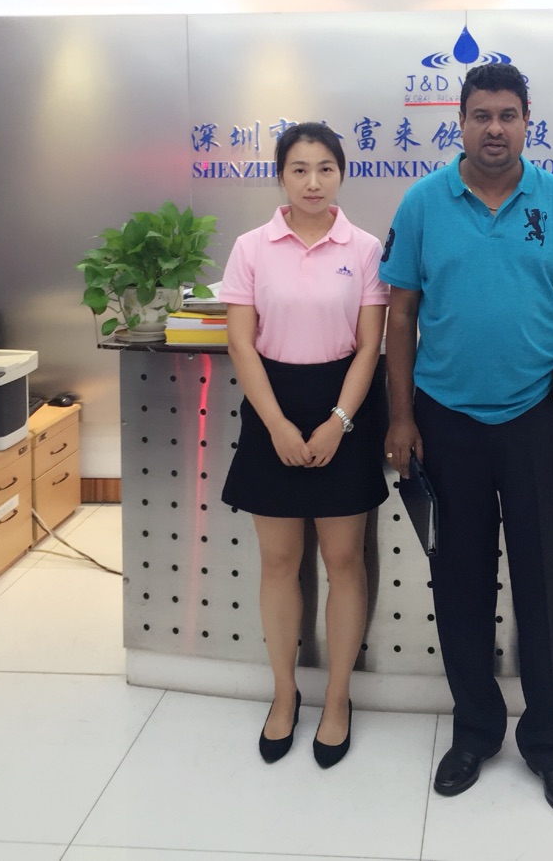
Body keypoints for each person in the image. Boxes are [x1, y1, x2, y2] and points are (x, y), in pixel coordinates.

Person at [380, 63, 553, 822]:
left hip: (537, 420)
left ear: (527, 121)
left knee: (542, 583)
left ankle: (550, 745)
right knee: (460, 582)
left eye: (508, 115)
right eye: (480, 115)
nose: (494, 129)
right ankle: (475, 732)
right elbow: (401, 315)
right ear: (460, 121)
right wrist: (401, 417)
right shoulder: (423, 203)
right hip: (445, 421)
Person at [220, 122, 389, 769]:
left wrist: (339, 421)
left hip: (345, 404)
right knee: (279, 561)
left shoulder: (366, 249)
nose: (313, 182)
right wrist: (278, 426)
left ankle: (338, 699)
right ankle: (285, 694)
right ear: (281, 176)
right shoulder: (251, 247)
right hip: (273, 404)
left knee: (345, 560)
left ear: (342, 173)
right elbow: (241, 343)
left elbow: (369, 346)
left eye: (325, 168)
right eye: (299, 169)